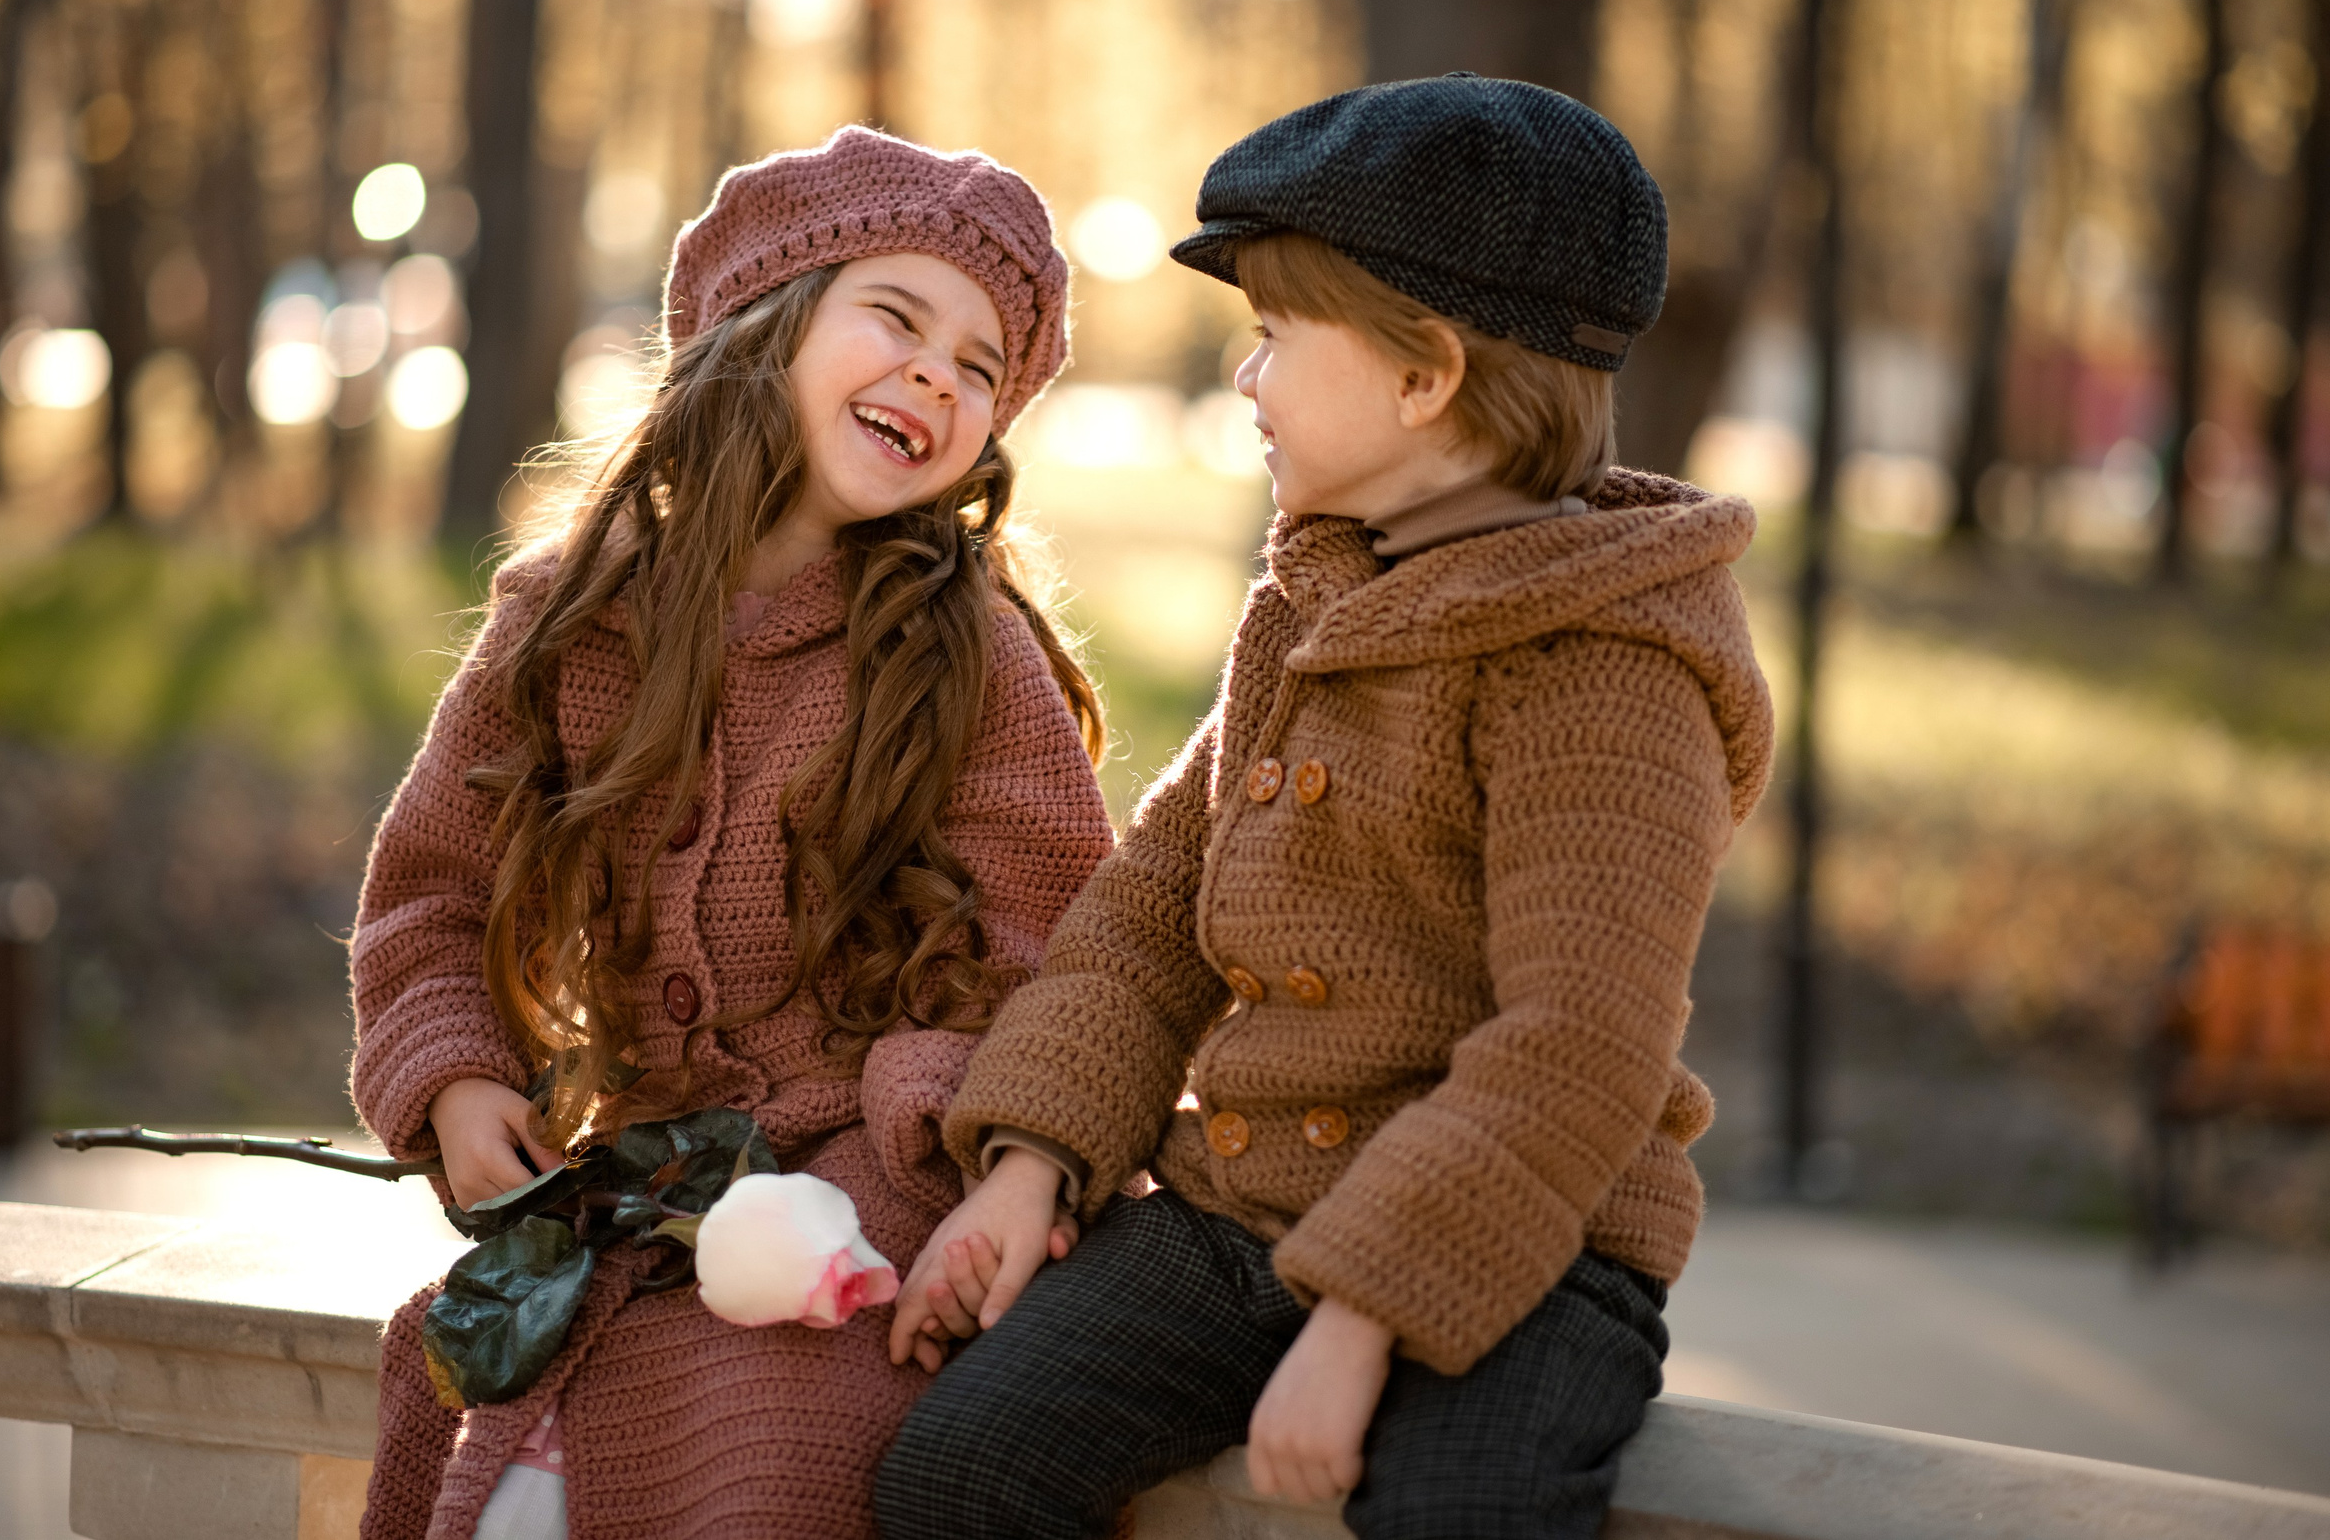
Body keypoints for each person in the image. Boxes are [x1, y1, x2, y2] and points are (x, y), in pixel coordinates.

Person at [874, 75, 1776, 1540]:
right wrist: (1031, 1164)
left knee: (1455, 1510)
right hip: (1241, 1209)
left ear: (1425, 375)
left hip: (1525, 1241)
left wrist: (1359, 1319)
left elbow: (1578, 1044)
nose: (1247, 381)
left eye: (1276, 338)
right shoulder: (1317, 599)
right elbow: (1151, 913)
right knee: (958, 1466)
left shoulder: (1607, 665)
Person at [349, 126, 1117, 1540]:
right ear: (770, 315)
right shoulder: (572, 615)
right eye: (897, 317)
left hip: (872, 1193)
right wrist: (455, 1083)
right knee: (477, 1432)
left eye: (980, 367)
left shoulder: (972, 657)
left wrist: (928, 1124)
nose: (936, 376)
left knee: (762, 1439)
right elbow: (427, 897)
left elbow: (1059, 962)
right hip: (624, 1185)